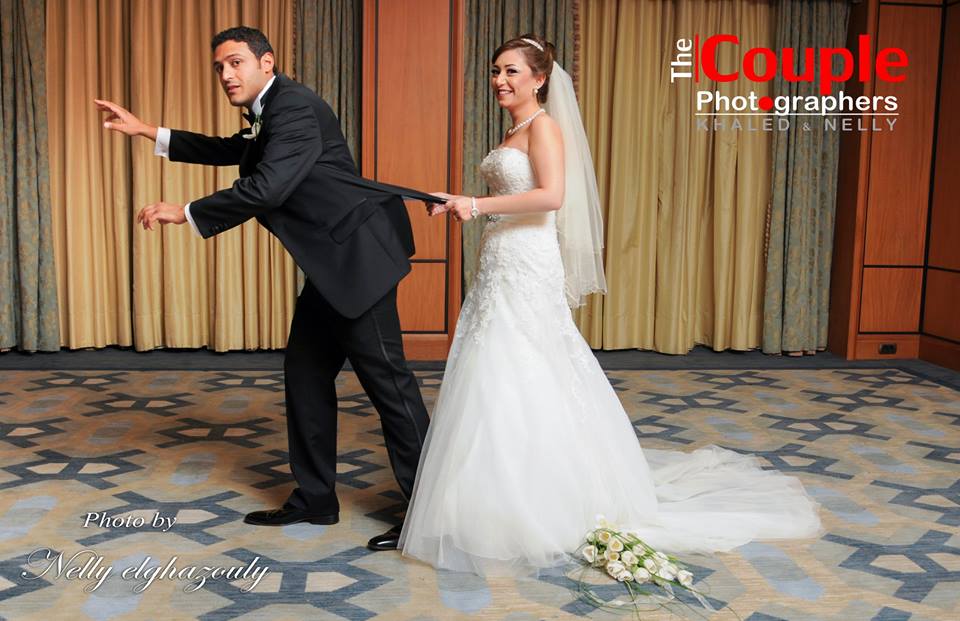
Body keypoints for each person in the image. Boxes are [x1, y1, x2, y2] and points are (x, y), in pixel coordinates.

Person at [398, 34, 821, 576]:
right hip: (501, 257)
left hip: (527, 260)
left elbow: (551, 197)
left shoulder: (544, 127)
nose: (500, 80)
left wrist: (476, 204)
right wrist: (456, 201)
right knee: (494, 367)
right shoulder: (514, 131)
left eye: (511, 71)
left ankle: (539, 502)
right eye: (496, 71)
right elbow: (515, 194)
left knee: (522, 364)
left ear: (539, 78)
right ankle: (491, 499)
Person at [96, 26, 441, 551]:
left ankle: (428, 515)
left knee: (390, 387)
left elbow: (267, 187)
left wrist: (184, 211)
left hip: (357, 261)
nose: (226, 74)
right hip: (330, 264)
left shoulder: (293, 106)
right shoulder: (271, 108)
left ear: (267, 62)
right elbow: (235, 149)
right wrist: (148, 131)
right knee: (304, 373)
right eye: (219, 67)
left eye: (236, 62)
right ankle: (315, 499)